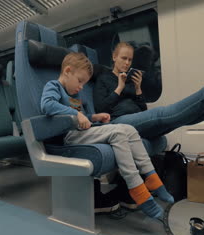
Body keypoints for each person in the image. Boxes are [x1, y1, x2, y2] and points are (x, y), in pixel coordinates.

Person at [41, 52, 174, 219]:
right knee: (118, 133)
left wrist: (94, 117)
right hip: (69, 136)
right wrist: (76, 115)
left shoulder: (75, 96)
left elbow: (82, 119)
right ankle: (137, 189)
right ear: (67, 71)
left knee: (129, 129)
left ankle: (152, 177)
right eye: (80, 81)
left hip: (82, 131)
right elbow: (47, 105)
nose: (81, 87)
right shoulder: (53, 86)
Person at [93, 37, 204, 140]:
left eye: (130, 60)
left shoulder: (131, 81)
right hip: (117, 122)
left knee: (180, 119)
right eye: (123, 58)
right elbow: (101, 108)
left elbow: (142, 111)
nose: (127, 63)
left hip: (135, 120)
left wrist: (138, 89)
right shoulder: (104, 78)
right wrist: (119, 87)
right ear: (114, 57)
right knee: (162, 114)